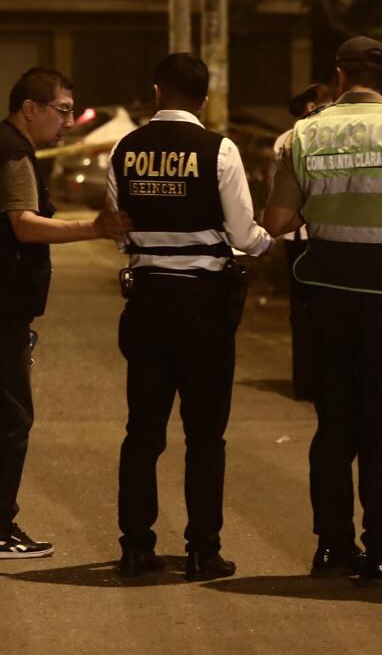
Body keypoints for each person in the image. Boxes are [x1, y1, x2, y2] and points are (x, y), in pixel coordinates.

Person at [263, 36, 382, 588]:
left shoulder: (301, 134)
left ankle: (332, 547)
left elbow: (275, 222)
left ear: (338, 78)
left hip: (324, 298)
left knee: (334, 426)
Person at [0, 67, 131, 560]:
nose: (68, 122)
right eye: (62, 110)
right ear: (30, 108)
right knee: (9, 417)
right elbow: (24, 225)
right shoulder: (14, 154)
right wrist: (95, 228)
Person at [106, 53, 273, 581]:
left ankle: (136, 548)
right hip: (203, 305)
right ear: (203, 100)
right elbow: (244, 234)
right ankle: (203, 550)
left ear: (157, 92)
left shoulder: (125, 148)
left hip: (147, 301)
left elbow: (118, 232)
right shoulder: (219, 150)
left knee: (142, 432)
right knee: (205, 436)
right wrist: (270, 242)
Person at [270, 83, 330, 401]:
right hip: (307, 234)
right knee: (312, 308)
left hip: (301, 234)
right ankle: (312, 380)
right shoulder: (300, 139)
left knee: (305, 309)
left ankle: (307, 379)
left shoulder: (286, 139)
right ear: (311, 107)